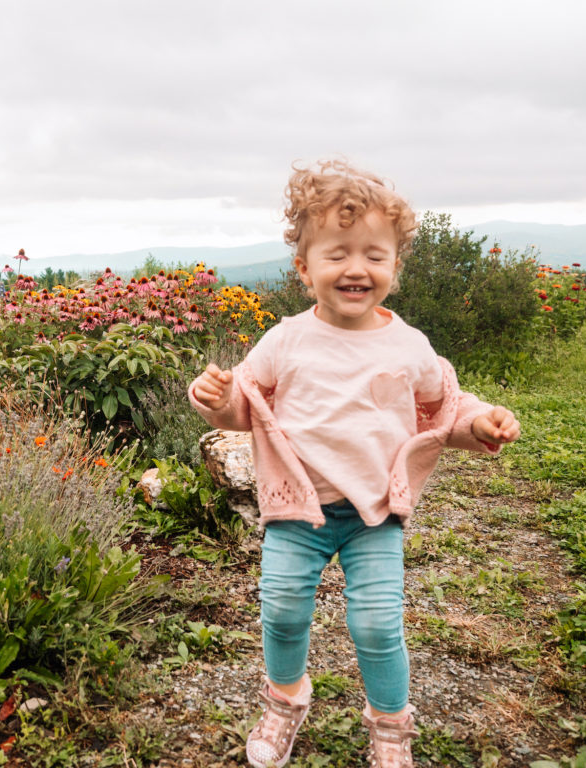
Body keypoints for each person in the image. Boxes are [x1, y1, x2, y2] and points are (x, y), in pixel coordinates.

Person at [188, 160, 520, 768]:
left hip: (374, 513)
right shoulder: (285, 340)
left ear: (395, 264)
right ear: (304, 267)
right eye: (337, 253)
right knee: (283, 609)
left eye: (374, 254)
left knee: (375, 625)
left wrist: (478, 422)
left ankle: (390, 723)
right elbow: (247, 403)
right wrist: (217, 399)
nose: (356, 269)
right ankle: (286, 699)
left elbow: (444, 404)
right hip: (298, 509)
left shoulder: (408, 345)